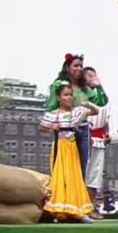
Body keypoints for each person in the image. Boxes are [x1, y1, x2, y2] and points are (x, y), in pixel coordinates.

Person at [40, 84, 99, 223]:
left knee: (74, 178)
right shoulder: (53, 114)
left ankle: (77, 211)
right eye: (65, 95)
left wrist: (87, 103)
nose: (69, 98)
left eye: (70, 95)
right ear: (59, 98)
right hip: (59, 148)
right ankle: (59, 211)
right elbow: (41, 126)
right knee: (60, 178)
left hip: (72, 148)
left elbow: (95, 111)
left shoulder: (77, 112)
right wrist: (50, 127)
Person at [46, 53, 95, 181]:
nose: (79, 68)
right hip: (65, 129)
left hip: (83, 129)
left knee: (82, 165)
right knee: (63, 164)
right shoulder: (59, 85)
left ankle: (79, 194)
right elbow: (51, 107)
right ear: (67, 68)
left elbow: (96, 106)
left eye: (81, 66)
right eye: (75, 65)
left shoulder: (85, 88)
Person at [83, 66, 111, 215]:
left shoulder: (103, 95)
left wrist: (108, 132)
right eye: (88, 75)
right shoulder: (80, 94)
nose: (92, 77)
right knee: (84, 173)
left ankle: (90, 206)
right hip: (85, 138)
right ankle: (79, 206)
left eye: (93, 74)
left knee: (95, 175)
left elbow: (106, 116)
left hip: (99, 140)